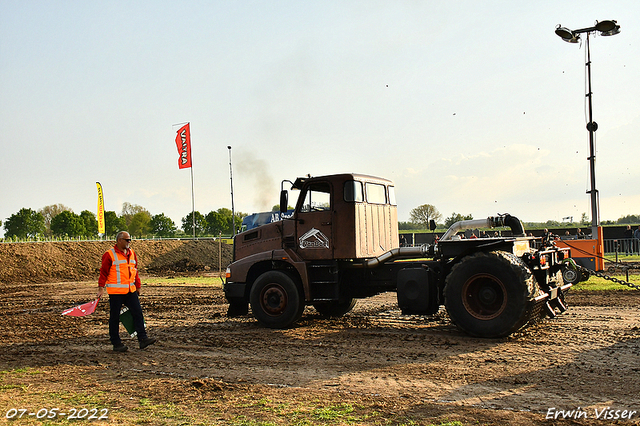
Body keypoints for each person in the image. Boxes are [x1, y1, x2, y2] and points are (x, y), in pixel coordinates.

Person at [97, 231, 156, 352]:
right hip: (116, 292)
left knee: (138, 313)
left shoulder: (132, 253)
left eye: (130, 240)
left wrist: (138, 286)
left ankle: (142, 339)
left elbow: (135, 271)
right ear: (119, 241)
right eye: (127, 240)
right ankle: (116, 343)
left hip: (130, 291)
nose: (129, 242)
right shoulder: (109, 254)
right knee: (114, 318)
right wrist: (101, 288)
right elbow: (103, 272)